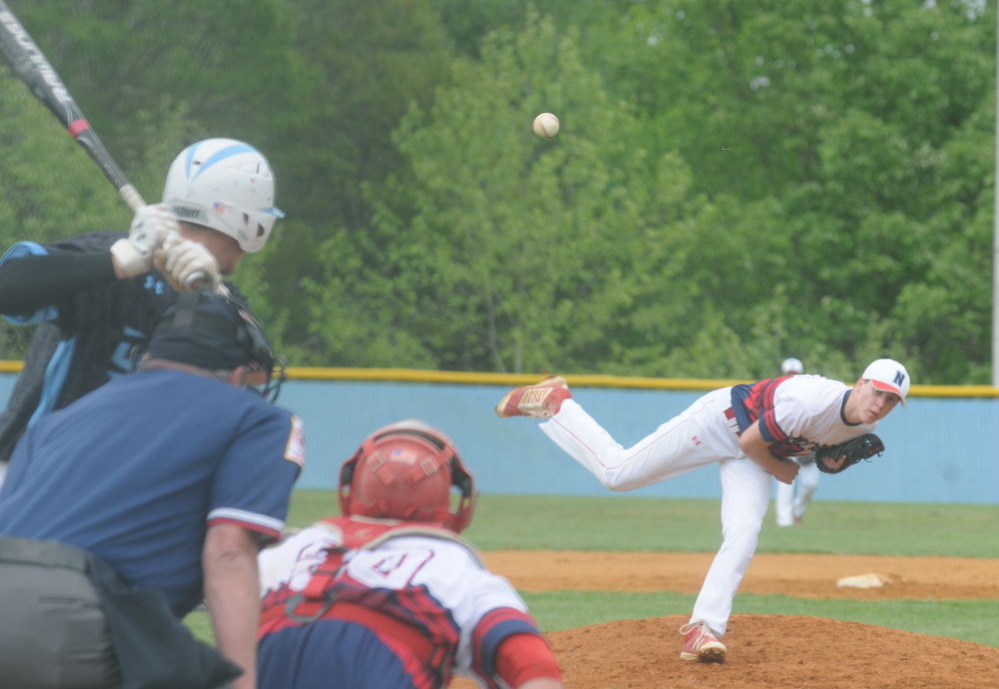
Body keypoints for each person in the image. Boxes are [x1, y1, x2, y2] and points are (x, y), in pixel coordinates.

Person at [495, 358, 910, 665]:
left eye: (891, 400)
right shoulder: (810, 400)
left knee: (744, 533)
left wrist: (829, 463)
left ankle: (702, 629)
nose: (880, 404)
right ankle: (558, 403)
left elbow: (810, 449)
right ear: (859, 383)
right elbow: (751, 442)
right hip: (720, 424)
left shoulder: (866, 425)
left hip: (753, 453)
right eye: (877, 392)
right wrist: (782, 470)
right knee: (617, 474)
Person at [0, 290, 303, 689]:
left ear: (147, 357)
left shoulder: (55, 422)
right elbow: (229, 550)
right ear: (236, 373)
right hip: (72, 615)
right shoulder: (256, 418)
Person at [0, 137, 285, 487]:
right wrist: (116, 262)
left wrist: (209, 299)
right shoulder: (110, 255)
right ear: (249, 224)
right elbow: (7, 290)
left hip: (120, 486)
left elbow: (256, 378)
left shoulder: (221, 297)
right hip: (30, 472)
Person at [257, 419, 565, 689]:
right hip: (386, 668)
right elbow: (531, 663)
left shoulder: (291, 547)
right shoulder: (452, 565)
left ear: (352, 486)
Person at [773, 357, 822, 527]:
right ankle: (784, 522)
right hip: (784, 445)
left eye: (795, 374)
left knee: (811, 484)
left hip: (806, 446)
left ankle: (797, 511)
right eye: (789, 374)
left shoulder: (810, 392)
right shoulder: (775, 392)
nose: (792, 377)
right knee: (784, 484)